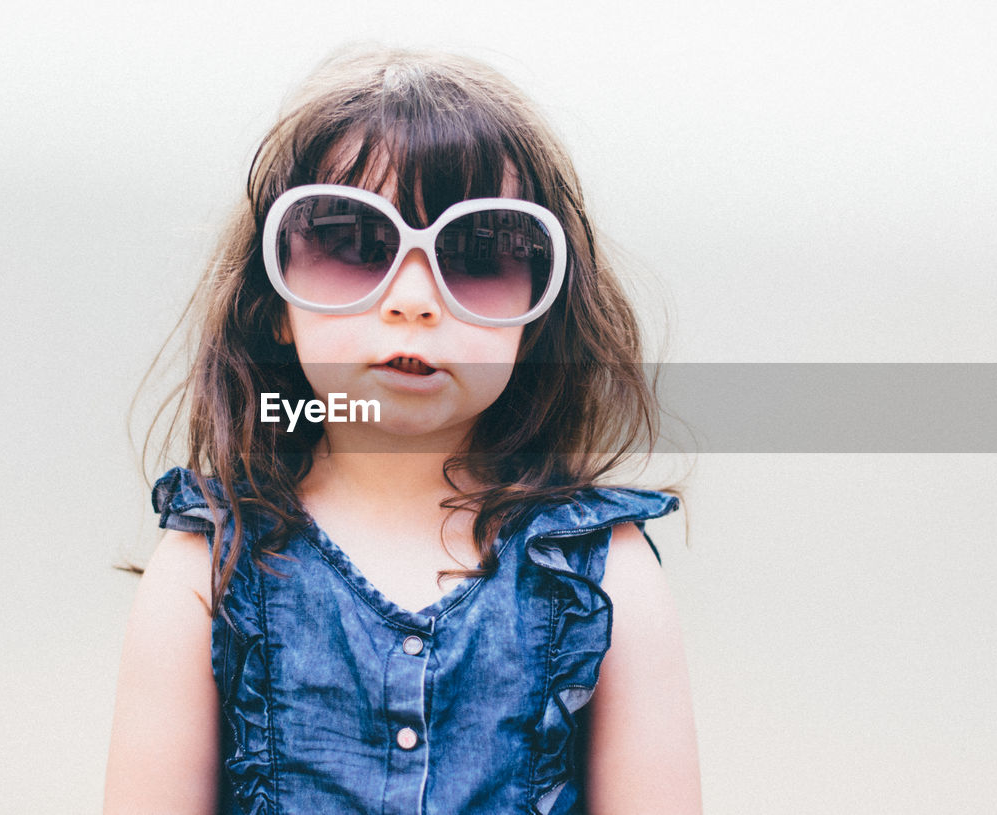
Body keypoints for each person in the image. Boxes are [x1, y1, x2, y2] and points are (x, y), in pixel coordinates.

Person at [104, 47, 701, 815]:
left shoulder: (603, 573)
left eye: (479, 251)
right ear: (272, 307)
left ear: (539, 315)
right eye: (354, 243)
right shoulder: (204, 568)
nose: (414, 299)